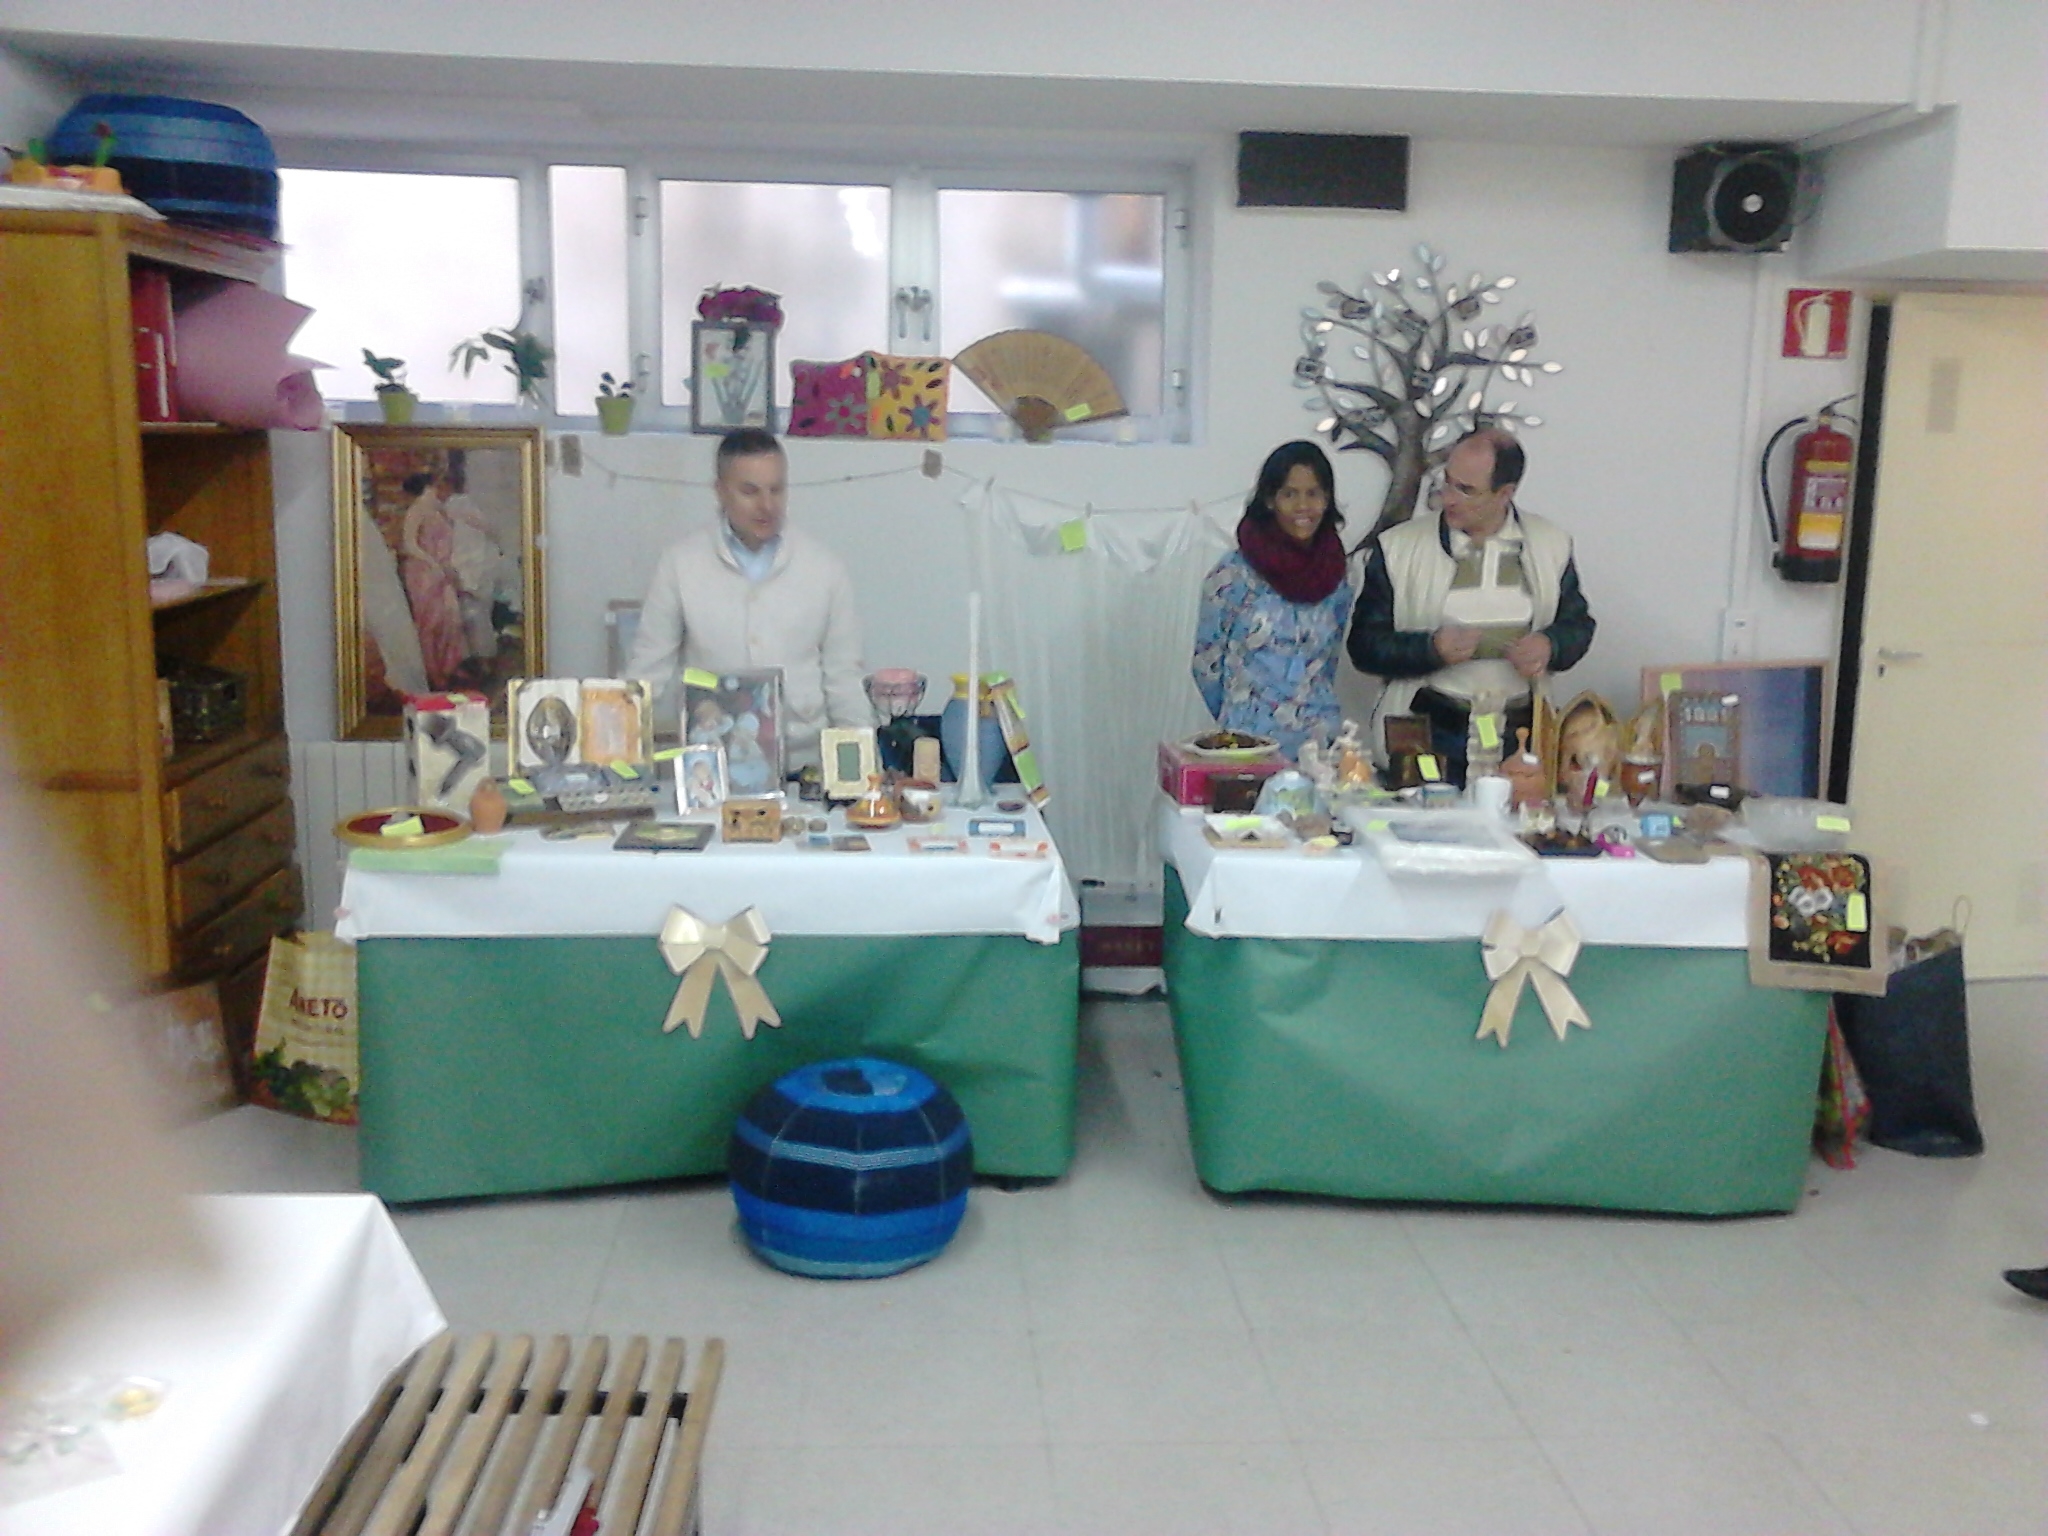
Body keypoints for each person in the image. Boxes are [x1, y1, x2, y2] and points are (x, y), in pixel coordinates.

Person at [1348, 426, 1595, 786]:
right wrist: (1430, 649)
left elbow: (1578, 625)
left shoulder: (1550, 545)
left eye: (1466, 490)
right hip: (1430, 732)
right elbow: (1364, 646)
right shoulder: (1398, 548)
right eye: (1446, 483)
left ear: (1505, 493)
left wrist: (1551, 645)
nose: (1448, 498)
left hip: (1518, 737)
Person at [627, 428, 866, 770]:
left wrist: (862, 773)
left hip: (805, 766)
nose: (766, 505)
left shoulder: (824, 568)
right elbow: (648, 672)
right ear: (720, 491)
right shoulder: (680, 564)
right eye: (750, 491)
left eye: (776, 490)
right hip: (711, 767)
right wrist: (615, 759)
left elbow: (844, 679)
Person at [1191, 440, 1353, 760]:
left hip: (1319, 744)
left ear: (1327, 500)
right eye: (1289, 494)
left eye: (1313, 493)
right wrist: (1242, 715)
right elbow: (1206, 664)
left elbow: (1328, 661)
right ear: (1269, 500)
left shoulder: (1336, 573)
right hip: (1250, 742)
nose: (1303, 506)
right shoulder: (1234, 574)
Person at [397, 470, 466, 691]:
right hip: (423, 572)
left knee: (451, 618)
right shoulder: (416, 511)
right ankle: (433, 672)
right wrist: (432, 562)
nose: (437, 490)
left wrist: (448, 566)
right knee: (430, 623)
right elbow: (409, 544)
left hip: (442, 571)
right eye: (434, 487)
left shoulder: (440, 511)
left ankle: (449, 665)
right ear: (426, 488)